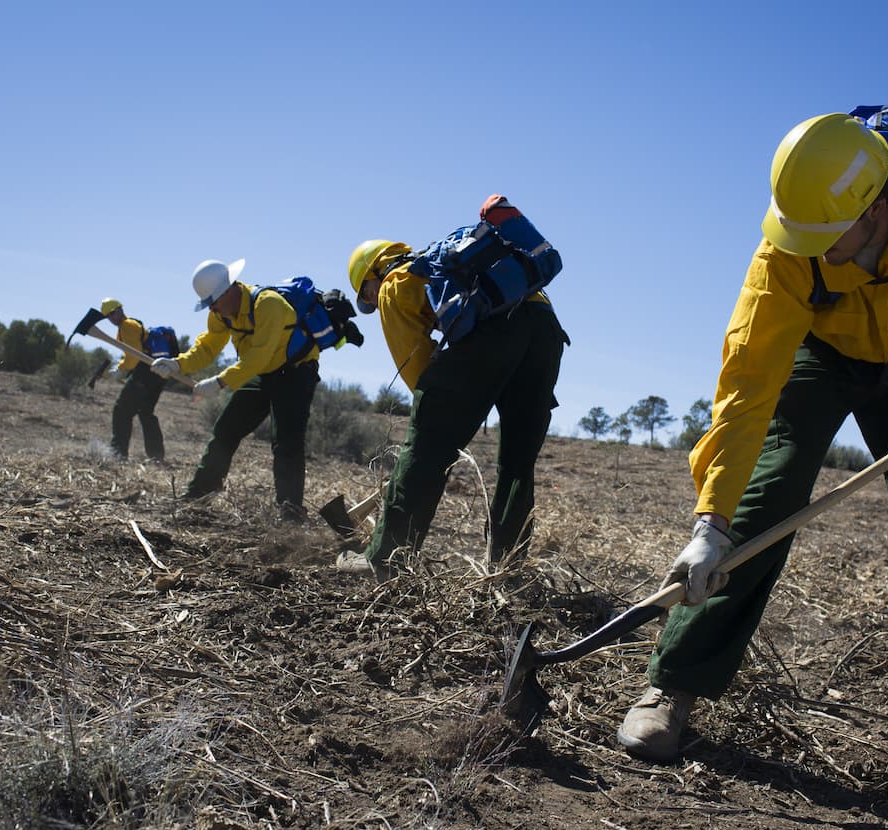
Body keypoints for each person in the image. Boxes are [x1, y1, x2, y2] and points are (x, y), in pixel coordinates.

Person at [616, 113, 888, 768]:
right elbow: (746, 387)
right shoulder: (784, 253)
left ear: (875, 208)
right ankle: (673, 685)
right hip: (823, 357)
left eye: (825, 236)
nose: (809, 248)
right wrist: (711, 521)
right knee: (766, 497)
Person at [341, 197, 569, 576]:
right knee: (517, 462)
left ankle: (383, 560)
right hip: (545, 330)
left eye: (366, 295)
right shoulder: (463, 263)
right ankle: (506, 569)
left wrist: (449, 419)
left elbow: (417, 374)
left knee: (428, 444)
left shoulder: (396, 282)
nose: (372, 302)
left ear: (372, 274)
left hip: (493, 335)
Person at [150, 258, 320, 522]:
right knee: (225, 429)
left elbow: (259, 356)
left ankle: (291, 514)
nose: (213, 308)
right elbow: (208, 347)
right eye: (209, 304)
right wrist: (177, 364)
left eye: (214, 301)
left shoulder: (268, 304)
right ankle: (199, 495)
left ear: (230, 289)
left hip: (295, 372)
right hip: (261, 373)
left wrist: (220, 382)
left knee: (286, 441)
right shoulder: (220, 312)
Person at [100, 297, 167, 463]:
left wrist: (122, 370)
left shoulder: (127, 326)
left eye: (113, 313)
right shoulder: (132, 325)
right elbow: (132, 353)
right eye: (109, 316)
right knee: (146, 413)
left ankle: (118, 454)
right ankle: (156, 456)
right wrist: (122, 365)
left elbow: (134, 355)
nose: (112, 318)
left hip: (145, 372)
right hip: (157, 374)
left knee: (121, 411)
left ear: (121, 309)